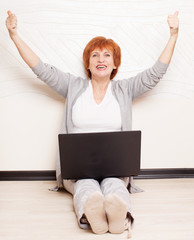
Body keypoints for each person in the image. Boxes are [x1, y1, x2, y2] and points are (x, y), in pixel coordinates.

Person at [5, 10, 179, 237]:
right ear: (87, 63)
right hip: (78, 170)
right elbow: (41, 69)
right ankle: (91, 217)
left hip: (115, 168)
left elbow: (155, 74)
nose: (101, 60)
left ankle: (119, 219)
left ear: (115, 64)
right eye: (95, 55)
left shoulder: (125, 89)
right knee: (86, 186)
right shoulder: (73, 86)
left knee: (115, 186)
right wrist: (14, 35)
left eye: (107, 55)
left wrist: (173, 35)